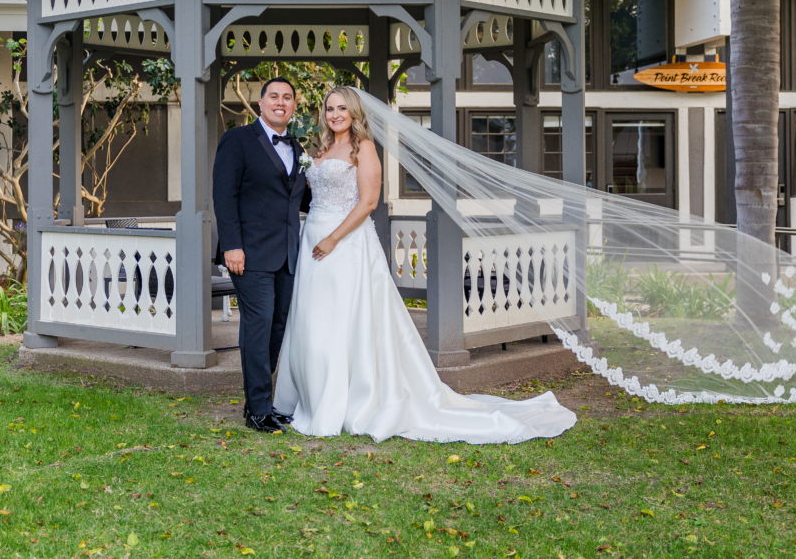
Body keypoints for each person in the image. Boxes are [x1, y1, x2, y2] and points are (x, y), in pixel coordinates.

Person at [273, 86, 577, 443]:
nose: (335, 114)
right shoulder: (321, 150)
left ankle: (349, 401)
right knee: (315, 321)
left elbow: (368, 203)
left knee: (345, 320)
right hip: (314, 241)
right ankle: (314, 395)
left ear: (355, 112)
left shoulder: (364, 148)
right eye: (329, 108)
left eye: (342, 108)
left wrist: (333, 238)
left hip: (345, 245)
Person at [212, 77, 310, 434]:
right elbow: (224, 196)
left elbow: (299, 201)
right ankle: (258, 409)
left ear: (294, 106)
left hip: (287, 254)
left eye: (287, 97)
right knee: (258, 326)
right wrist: (231, 245)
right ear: (260, 103)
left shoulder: (299, 150)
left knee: (277, 328)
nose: (280, 102)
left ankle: (258, 401)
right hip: (249, 253)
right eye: (274, 96)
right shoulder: (237, 140)